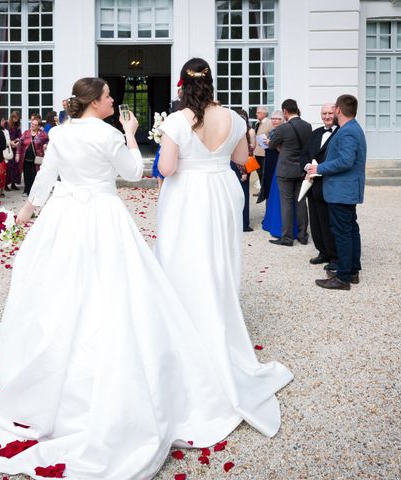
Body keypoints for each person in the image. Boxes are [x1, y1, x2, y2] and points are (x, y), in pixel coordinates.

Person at [0, 76, 290, 480]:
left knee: (60, 286)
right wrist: (132, 136)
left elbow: (44, 182)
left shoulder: (60, 134)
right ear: (95, 103)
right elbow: (134, 171)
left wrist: (21, 218)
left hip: (64, 216)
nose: (113, 99)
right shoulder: (109, 133)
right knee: (115, 286)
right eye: (109, 96)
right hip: (102, 215)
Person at [156, 58, 292, 442]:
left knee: (184, 258)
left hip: (188, 194)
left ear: (182, 85)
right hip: (222, 191)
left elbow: (166, 169)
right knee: (219, 258)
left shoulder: (177, 120)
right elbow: (238, 160)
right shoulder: (234, 117)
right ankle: (219, 315)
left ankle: (189, 325)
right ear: (212, 83)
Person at [307, 94, 366, 290]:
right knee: (350, 230)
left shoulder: (347, 131)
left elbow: (346, 161)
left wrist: (319, 168)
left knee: (342, 232)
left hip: (341, 190)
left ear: (339, 110)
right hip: (346, 189)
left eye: (333, 109)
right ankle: (352, 271)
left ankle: (342, 278)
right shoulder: (352, 128)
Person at [266, 99, 312, 246]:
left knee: (286, 203)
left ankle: (287, 238)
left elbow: (272, 144)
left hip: (285, 169)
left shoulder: (283, 128)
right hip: (301, 169)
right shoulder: (307, 126)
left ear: (285, 111)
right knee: (301, 202)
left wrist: (277, 144)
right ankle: (303, 235)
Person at [300, 103, 339, 271]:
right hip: (312, 183)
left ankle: (335, 256)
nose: (327, 116)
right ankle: (322, 252)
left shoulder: (341, 133)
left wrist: (320, 169)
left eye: (330, 113)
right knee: (315, 220)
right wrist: (307, 166)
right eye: (324, 113)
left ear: (336, 113)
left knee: (329, 221)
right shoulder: (315, 133)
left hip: (329, 183)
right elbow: (304, 154)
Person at [232, 108, 255, 232]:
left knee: (238, 195)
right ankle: (243, 224)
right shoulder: (244, 133)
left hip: (239, 165)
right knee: (242, 195)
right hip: (241, 166)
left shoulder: (235, 132)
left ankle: (240, 222)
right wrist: (244, 171)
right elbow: (240, 154)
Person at [16, 113, 48, 197]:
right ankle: (26, 191)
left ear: (38, 126)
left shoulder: (42, 134)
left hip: (37, 158)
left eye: (34, 124)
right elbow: (20, 143)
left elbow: (49, 140)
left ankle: (34, 192)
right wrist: (17, 154)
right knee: (26, 175)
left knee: (35, 175)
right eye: (32, 124)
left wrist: (46, 144)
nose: (32, 125)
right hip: (25, 157)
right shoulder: (26, 133)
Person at [253, 105, 271, 193]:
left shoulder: (270, 123)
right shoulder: (257, 123)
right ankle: (262, 191)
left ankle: (265, 191)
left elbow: (272, 136)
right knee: (259, 173)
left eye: (258, 112)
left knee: (265, 173)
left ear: (264, 113)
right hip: (256, 153)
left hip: (265, 153)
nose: (256, 114)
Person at [4, 110, 22, 191]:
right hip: (7, 148)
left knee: (15, 167)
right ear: (11, 117)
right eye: (14, 118)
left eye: (17, 119)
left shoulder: (17, 126)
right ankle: (5, 184)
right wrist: (10, 142)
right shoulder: (6, 124)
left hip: (14, 148)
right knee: (8, 167)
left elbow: (19, 136)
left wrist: (17, 141)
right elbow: (3, 135)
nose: (16, 120)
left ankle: (13, 183)